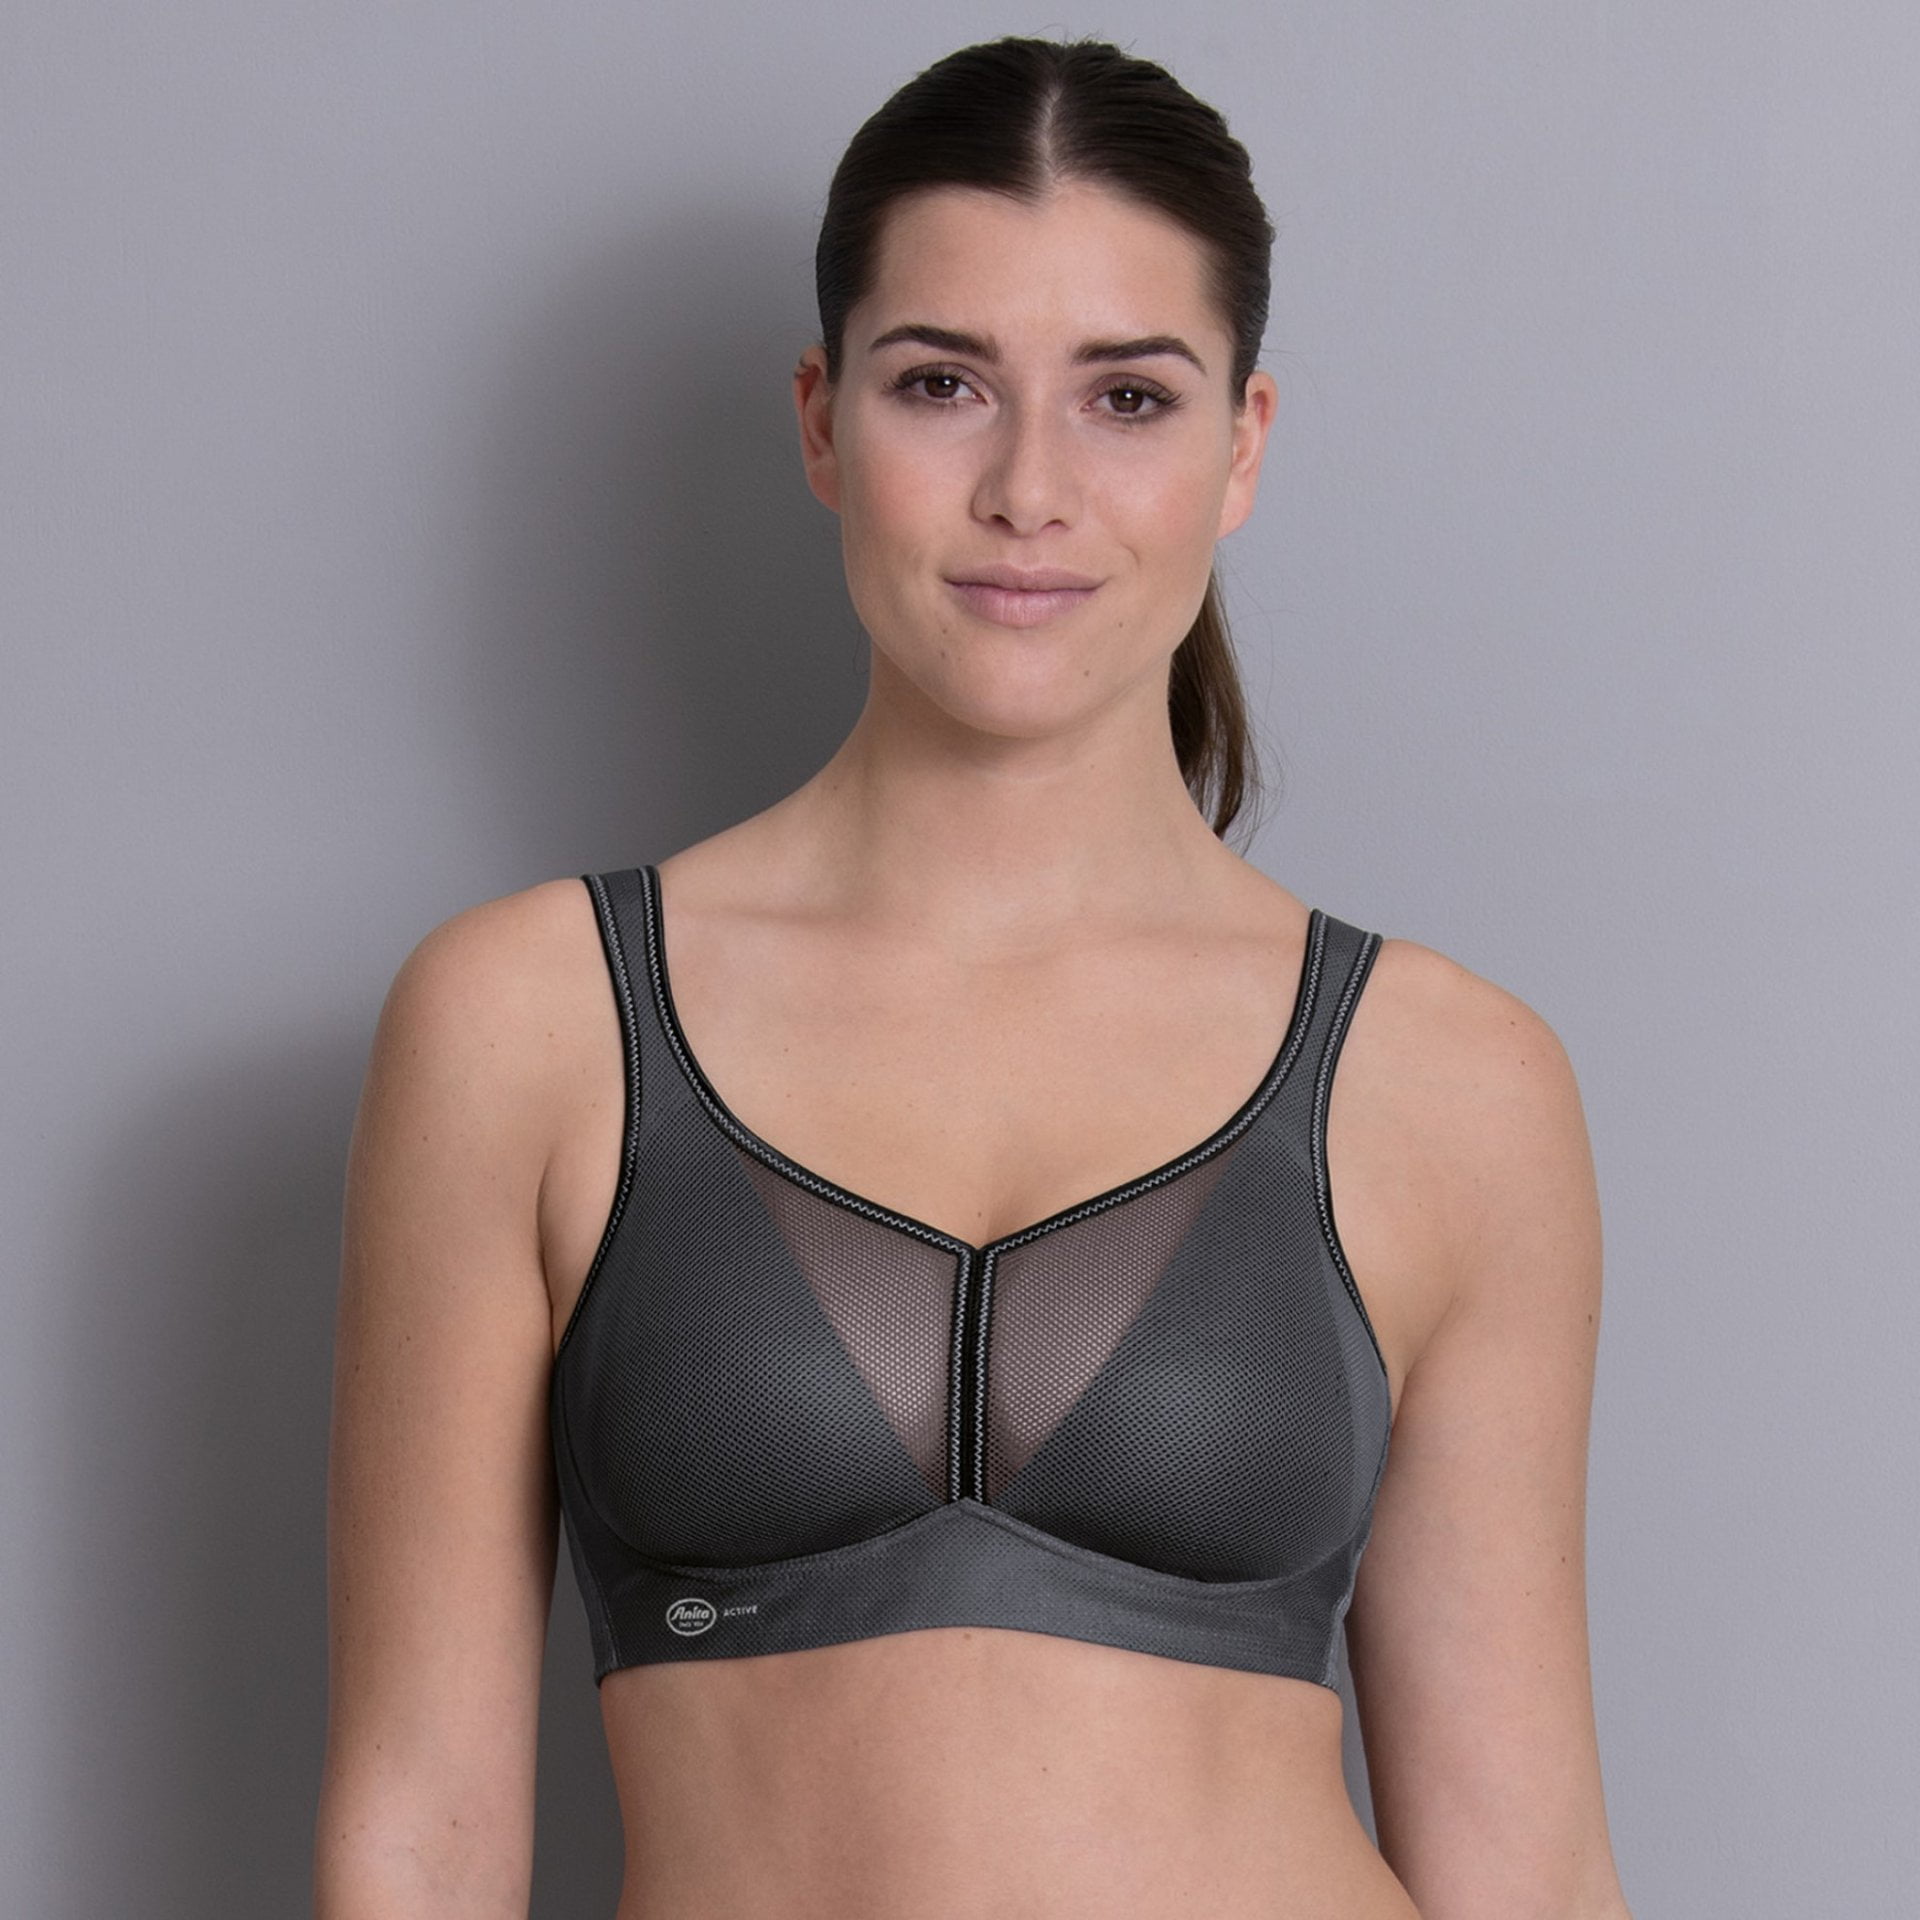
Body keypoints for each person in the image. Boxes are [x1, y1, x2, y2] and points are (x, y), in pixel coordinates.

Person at [315, 34, 1632, 1920]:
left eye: (1128, 398)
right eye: (943, 384)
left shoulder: (1450, 1080)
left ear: (1242, 445)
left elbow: (1525, 1859)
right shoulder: (530, 1026)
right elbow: (420, 1829)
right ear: (821, 419)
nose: (1030, 487)